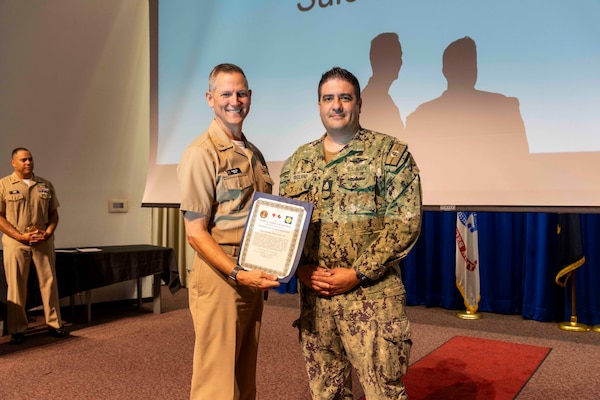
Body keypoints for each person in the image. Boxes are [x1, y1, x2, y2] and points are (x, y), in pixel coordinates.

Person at [279, 67, 422, 399]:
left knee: (383, 393)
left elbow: (405, 223)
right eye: (329, 98)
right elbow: (285, 227)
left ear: (359, 103)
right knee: (326, 393)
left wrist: (357, 273)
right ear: (319, 105)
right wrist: (299, 269)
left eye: (345, 97)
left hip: (372, 300)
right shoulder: (298, 162)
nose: (337, 105)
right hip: (316, 302)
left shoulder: (390, 155)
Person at [177, 63, 280, 400]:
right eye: (226, 93)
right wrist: (237, 273)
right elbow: (195, 233)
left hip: (251, 274)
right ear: (210, 98)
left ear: (249, 97)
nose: (235, 100)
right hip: (222, 275)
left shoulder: (253, 153)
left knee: (241, 376)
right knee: (216, 383)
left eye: (241, 93)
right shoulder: (201, 153)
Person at [0, 147, 67, 345]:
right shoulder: (3, 185)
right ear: (13, 163)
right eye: (23, 160)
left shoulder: (45, 185)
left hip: (42, 242)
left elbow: (54, 214)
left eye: (30, 159)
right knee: (16, 286)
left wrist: (47, 233)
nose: (28, 163)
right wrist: (19, 236)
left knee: (49, 284)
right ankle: (18, 329)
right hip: (16, 244)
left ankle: (55, 324)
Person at [360, 32, 405, 138]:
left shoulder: (386, 102)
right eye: (396, 56)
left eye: (399, 57)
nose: (400, 62)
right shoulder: (368, 102)